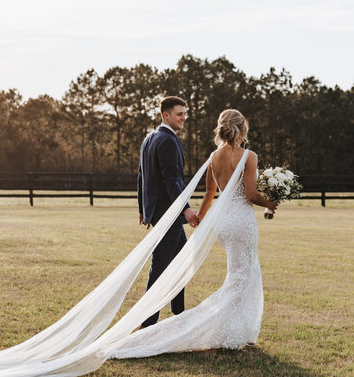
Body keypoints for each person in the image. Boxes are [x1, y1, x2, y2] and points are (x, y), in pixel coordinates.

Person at [0, 109, 279, 377]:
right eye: (179, 114)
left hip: (217, 222)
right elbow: (226, 190)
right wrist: (270, 201)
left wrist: (196, 217)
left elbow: (194, 189)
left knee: (203, 273)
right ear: (241, 130)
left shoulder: (204, 155)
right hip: (232, 221)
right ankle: (159, 331)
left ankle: (199, 325)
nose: (182, 120)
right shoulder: (231, 152)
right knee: (210, 274)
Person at [108, 109, 277, 358]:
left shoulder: (213, 157)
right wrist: (270, 203)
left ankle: (241, 330)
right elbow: (251, 194)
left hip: (223, 222)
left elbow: (209, 194)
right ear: (242, 130)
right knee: (240, 277)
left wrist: (201, 217)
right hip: (241, 221)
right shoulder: (249, 156)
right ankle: (217, 329)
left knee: (244, 272)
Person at [137, 96, 200, 328]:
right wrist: (185, 209)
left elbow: (142, 177)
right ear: (166, 115)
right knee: (161, 266)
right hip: (169, 214)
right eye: (179, 114)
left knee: (180, 261)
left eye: (184, 113)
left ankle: (178, 312)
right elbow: (171, 180)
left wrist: (143, 210)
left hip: (159, 213)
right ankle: (147, 321)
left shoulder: (149, 138)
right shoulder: (167, 140)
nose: (184, 118)